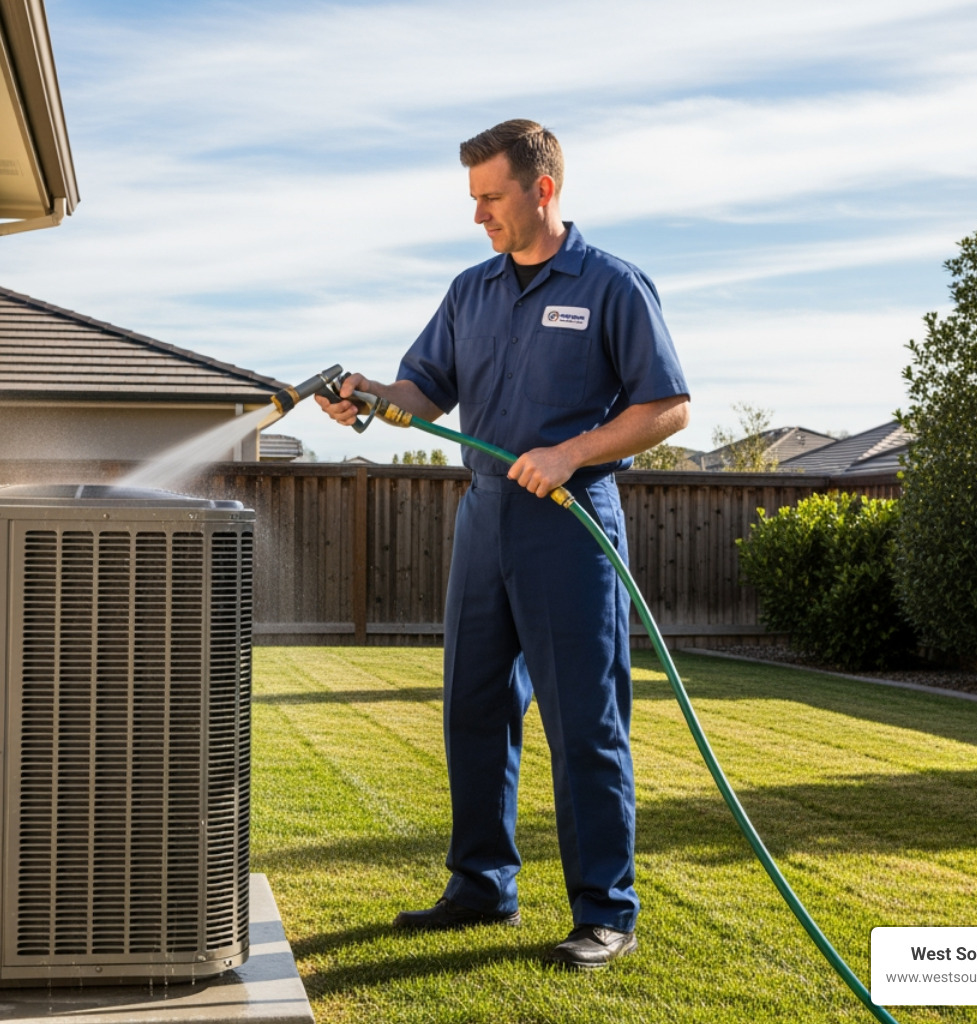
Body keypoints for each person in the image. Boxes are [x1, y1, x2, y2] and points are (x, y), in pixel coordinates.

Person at [317, 119, 690, 970]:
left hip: (571, 519)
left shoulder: (611, 286)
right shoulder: (469, 291)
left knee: (584, 722)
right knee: (474, 710)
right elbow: (426, 391)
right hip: (483, 519)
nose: (478, 214)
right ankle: (481, 885)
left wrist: (569, 452)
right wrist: (375, 395)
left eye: (491, 197)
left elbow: (668, 406)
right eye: (474, 198)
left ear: (542, 190)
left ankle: (606, 910)